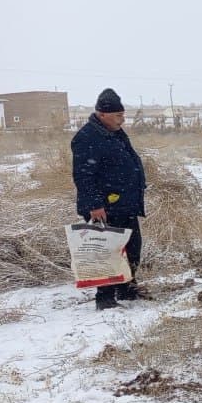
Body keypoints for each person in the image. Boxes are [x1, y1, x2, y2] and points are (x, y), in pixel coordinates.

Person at [71, 88, 147, 310]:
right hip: (105, 206)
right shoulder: (86, 138)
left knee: (132, 248)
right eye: (118, 116)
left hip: (125, 203)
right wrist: (94, 205)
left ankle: (126, 287)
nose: (122, 120)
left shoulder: (114, 132)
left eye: (123, 115)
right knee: (107, 250)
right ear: (102, 114)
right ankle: (104, 298)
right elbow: (83, 175)